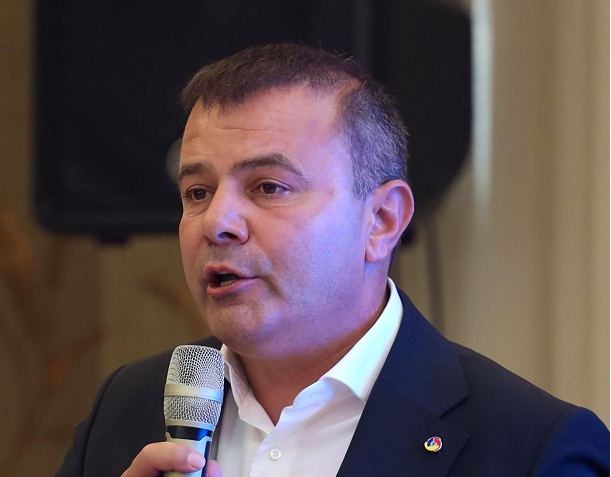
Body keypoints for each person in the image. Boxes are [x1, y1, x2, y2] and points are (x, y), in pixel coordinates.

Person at [57, 43, 609, 477]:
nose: (217, 222)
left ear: (382, 221)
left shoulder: (531, 447)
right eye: (197, 192)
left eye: (269, 187)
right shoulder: (124, 409)